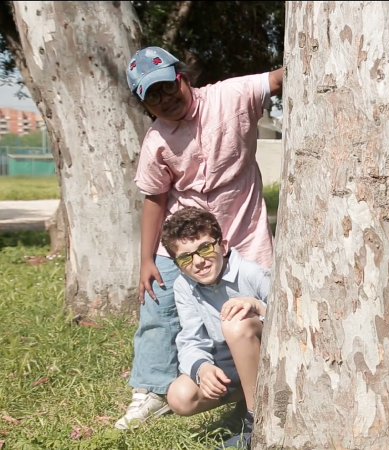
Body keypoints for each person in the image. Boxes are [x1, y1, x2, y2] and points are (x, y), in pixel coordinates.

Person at [116, 46, 282, 430]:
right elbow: (154, 199)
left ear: (182, 77)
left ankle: (260, 389)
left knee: (257, 309)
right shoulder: (156, 140)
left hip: (240, 233)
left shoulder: (231, 96)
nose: (164, 98)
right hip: (179, 243)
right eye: (151, 95)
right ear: (145, 104)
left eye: (166, 86)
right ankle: (152, 391)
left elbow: (276, 79)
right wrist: (147, 259)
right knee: (159, 310)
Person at [160, 207, 270, 449]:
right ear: (178, 265)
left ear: (224, 245)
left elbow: (291, 313)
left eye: (205, 248)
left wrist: (258, 306)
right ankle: (246, 399)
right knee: (180, 396)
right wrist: (202, 368)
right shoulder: (184, 286)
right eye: (186, 257)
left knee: (234, 322)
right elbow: (189, 339)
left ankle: (256, 425)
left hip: (267, 357)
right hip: (228, 358)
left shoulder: (251, 273)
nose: (199, 261)